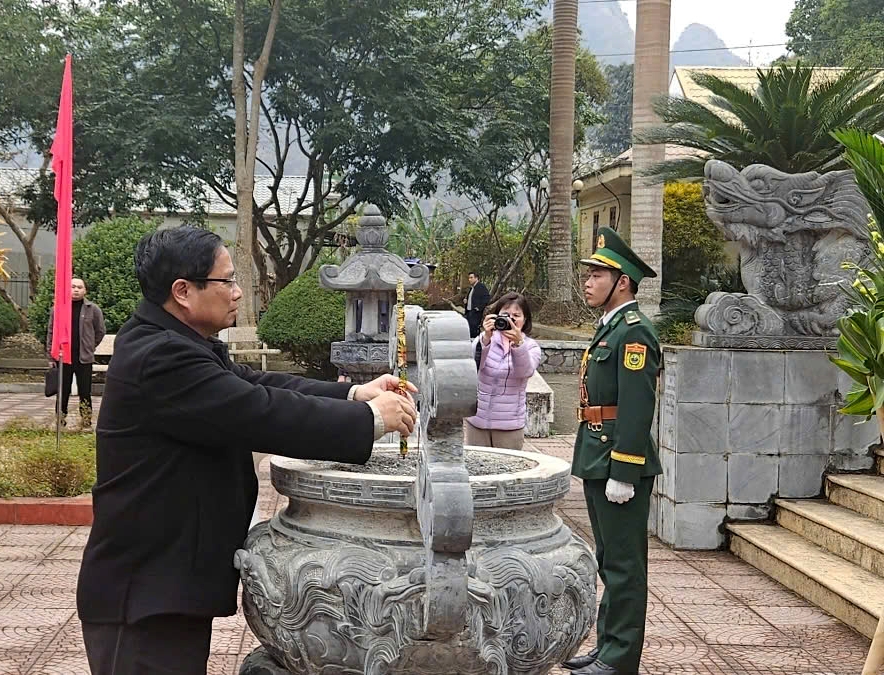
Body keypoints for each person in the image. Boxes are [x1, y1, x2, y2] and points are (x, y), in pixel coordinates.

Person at [76, 226, 418, 674]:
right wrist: (372, 420)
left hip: (163, 584)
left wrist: (354, 394)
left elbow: (256, 383)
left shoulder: (175, 341)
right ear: (183, 291)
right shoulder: (160, 356)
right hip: (143, 596)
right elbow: (259, 411)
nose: (238, 293)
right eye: (227, 281)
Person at [560, 227, 662, 675]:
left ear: (622, 281)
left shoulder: (635, 334)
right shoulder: (611, 329)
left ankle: (619, 660)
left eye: (597, 273)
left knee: (624, 565)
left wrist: (625, 469)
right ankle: (606, 649)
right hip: (598, 455)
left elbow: (638, 408)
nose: (588, 280)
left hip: (620, 462)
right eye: (589, 273)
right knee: (609, 561)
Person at [463, 292, 542, 450]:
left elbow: (524, 372)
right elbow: (472, 367)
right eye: (505, 315)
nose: (510, 319)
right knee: (476, 470)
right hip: (477, 420)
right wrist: (486, 337)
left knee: (508, 472)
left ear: (525, 320)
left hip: (509, 425)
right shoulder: (484, 339)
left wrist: (518, 344)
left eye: (516, 316)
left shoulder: (530, 347)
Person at [47, 277, 105, 429]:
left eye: (80, 287)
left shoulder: (93, 309)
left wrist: (90, 347)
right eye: (73, 286)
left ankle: (86, 421)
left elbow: (100, 331)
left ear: (85, 290)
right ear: (67, 289)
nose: (76, 290)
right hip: (63, 357)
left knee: (85, 391)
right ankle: (60, 419)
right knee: (63, 391)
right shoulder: (58, 309)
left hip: (83, 358)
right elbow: (51, 333)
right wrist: (51, 355)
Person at [463, 272, 490, 339]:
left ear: (476, 278)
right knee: (468, 328)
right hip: (469, 311)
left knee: (474, 329)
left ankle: (475, 344)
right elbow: (471, 298)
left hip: (475, 312)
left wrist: (478, 308)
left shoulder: (481, 287)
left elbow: (486, 298)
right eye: (469, 278)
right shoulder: (471, 288)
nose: (470, 279)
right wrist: (466, 301)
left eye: (471, 277)